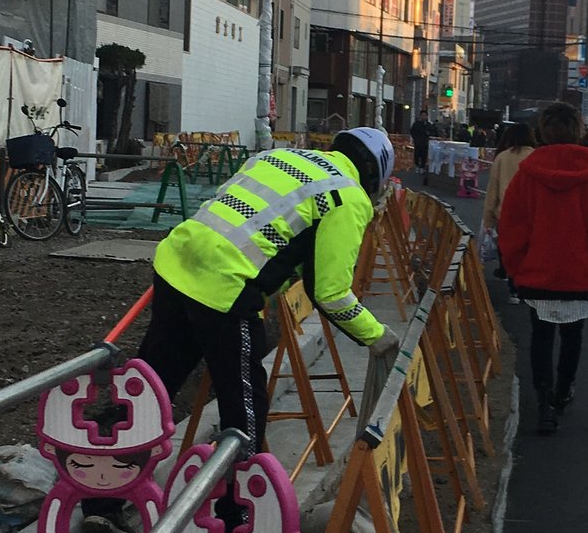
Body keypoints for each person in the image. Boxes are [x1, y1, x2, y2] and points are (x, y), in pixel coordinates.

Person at [143, 126, 401, 452]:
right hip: (227, 286)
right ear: (374, 176)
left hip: (175, 262)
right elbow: (330, 292)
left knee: (153, 383)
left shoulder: (277, 157)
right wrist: (375, 335)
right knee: (244, 407)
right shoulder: (348, 196)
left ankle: (104, 482)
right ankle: (234, 498)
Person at [498, 102, 588, 435]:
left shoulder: (528, 173)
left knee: (540, 337)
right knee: (573, 336)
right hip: (581, 276)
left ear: (544, 131)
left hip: (537, 273)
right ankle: (562, 391)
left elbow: (513, 225)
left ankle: (543, 402)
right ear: (578, 130)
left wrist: (515, 266)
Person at [481, 122, 535, 296]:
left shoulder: (502, 157)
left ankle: (512, 286)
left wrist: (488, 217)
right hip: (530, 213)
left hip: (505, 212)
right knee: (528, 250)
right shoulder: (536, 157)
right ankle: (523, 285)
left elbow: (493, 190)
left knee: (508, 249)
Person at [408, 112, 433, 185]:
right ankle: (417, 166)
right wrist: (415, 138)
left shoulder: (428, 124)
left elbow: (432, 131)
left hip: (425, 142)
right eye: (422, 115)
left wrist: (429, 134)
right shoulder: (417, 123)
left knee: (424, 154)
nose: (424, 117)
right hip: (418, 142)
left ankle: (422, 166)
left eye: (425, 115)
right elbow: (412, 131)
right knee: (417, 153)